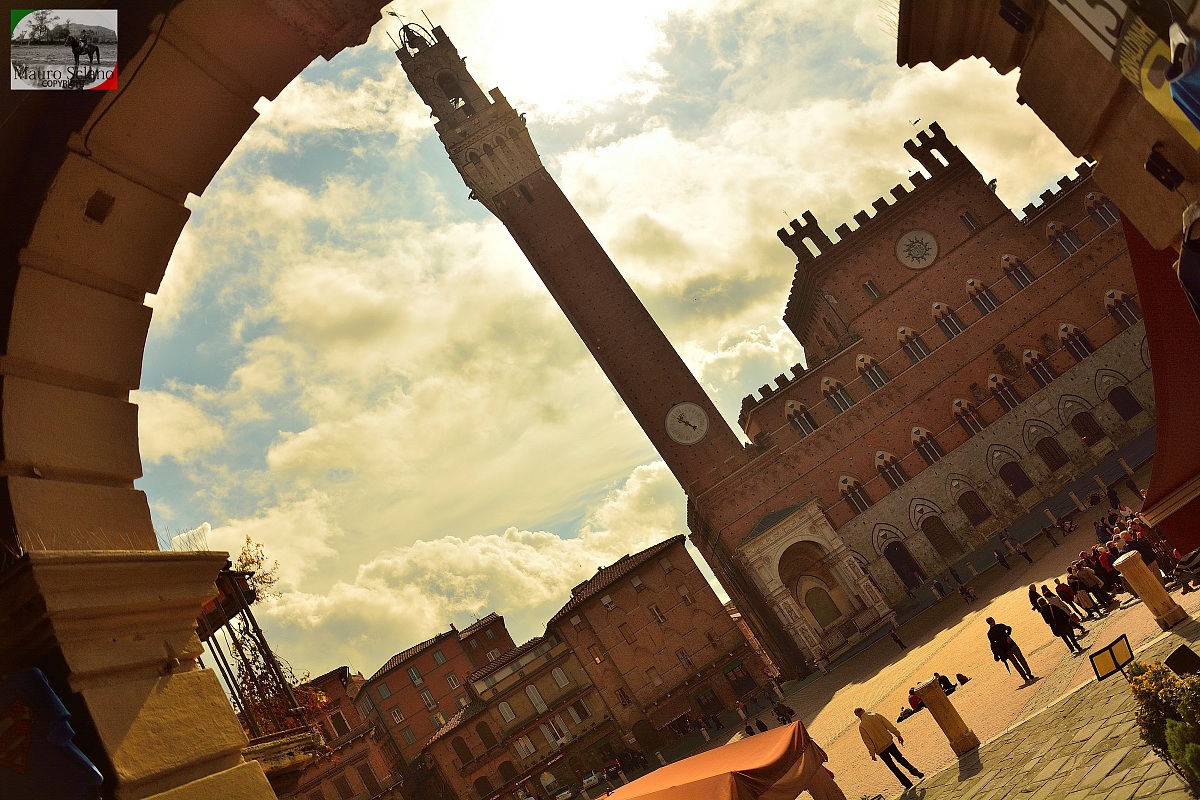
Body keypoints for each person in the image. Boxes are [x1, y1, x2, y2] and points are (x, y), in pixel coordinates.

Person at [855, 707, 924, 790]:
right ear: (863, 710)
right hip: (889, 742)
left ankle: (907, 783)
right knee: (900, 758)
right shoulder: (875, 715)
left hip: (880, 749)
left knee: (893, 767)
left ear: (858, 716)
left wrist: (872, 753)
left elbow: (868, 741)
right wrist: (897, 734)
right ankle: (914, 771)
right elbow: (888, 725)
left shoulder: (862, 726)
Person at [987, 617, 1036, 683]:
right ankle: (1029, 673)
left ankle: (1024, 677)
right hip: (1012, 645)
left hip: (1005, 650)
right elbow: (1009, 628)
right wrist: (1008, 636)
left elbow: (993, 645)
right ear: (993, 620)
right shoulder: (1000, 626)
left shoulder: (990, 633)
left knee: (1015, 664)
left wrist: (996, 655)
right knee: (1021, 659)